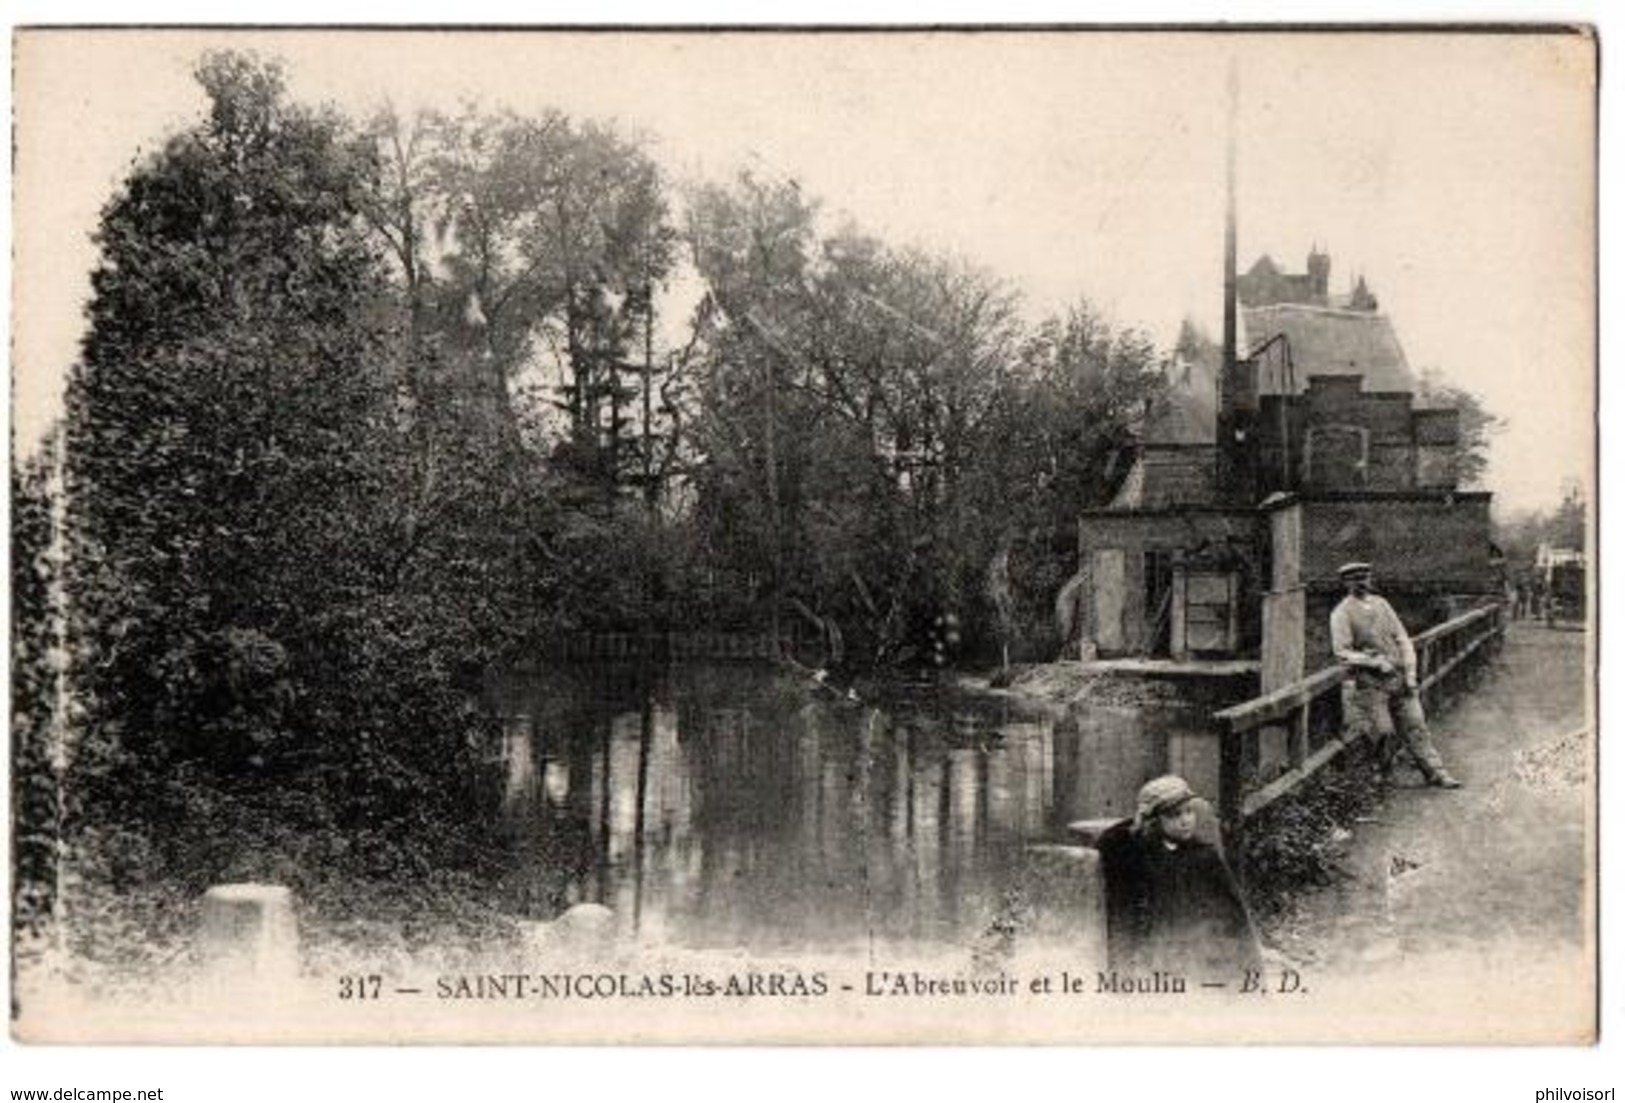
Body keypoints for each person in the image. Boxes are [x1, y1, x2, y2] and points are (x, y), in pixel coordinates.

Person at [1096, 775, 1263, 977]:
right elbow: (1108, 847)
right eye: (1175, 815)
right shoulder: (1138, 855)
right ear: (1156, 821)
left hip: (1197, 948)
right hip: (1152, 952)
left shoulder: (1203, 856)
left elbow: (1233, 913)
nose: (1186, 821)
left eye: (1189, 812)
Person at [1330, 561, 1463, 788]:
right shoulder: (1341, 613)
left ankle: (1436, 773)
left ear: (1370, 579)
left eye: (1365, 577)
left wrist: (1410, 673)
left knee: (1416, 725)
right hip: (1370, 683)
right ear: (1346, 583)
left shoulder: (1382, 604)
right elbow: (1342, 651)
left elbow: (1402, 638)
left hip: (1399, 678)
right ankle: (1381, 773)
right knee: (1382, 731)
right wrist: (1373, 662)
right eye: (1354, 579)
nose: (1361, 582)